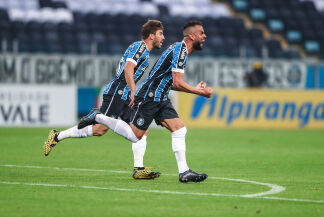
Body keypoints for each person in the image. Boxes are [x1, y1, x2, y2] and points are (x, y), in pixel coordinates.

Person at [78, 21, 213, 183]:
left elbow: (171, 82)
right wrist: (200, 92)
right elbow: (177, 83)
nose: (204, 36)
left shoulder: (180, 50)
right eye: (201, 33)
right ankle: (98, 116)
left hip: (161, 98)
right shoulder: (181, 51)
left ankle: (184, 172)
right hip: (149, 97)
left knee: (179, 130)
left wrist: (195, 88)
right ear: (192, 35)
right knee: (136, 136)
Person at [43, 20, 165, 180]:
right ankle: (60, 135)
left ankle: (139, 168)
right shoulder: (140, 47)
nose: (163, 37)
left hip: (125, 94)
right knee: (100, 129)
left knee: (141, 129)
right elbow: (128, 69)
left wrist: (131, 92)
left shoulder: (142, 51)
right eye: (160, 34)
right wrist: (133, 91)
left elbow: (122, 68)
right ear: (151, 35)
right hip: (118, 92)